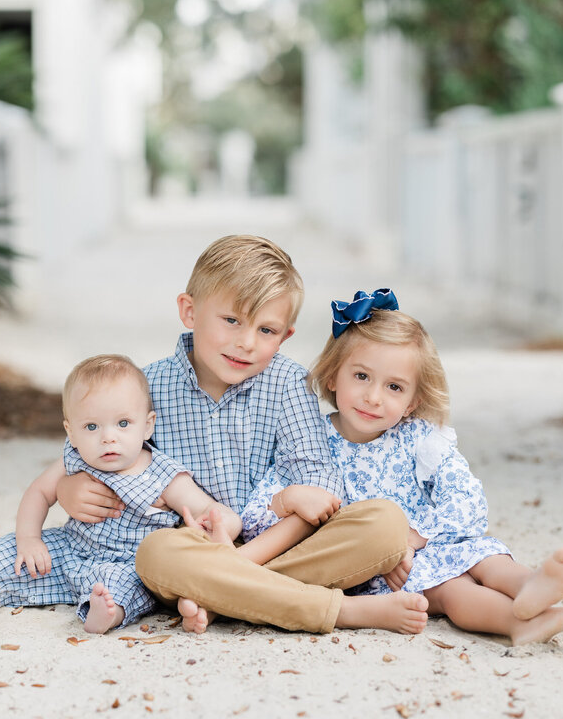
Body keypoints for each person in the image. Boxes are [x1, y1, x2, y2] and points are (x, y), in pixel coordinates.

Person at [63, 236, 428, 634]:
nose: (247, 342)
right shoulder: (148, 384)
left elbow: (317, 494)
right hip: (190, 551)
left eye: (266, 329)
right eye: (232, 320)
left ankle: (223, 598)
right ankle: (341, 611)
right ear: (190, 311)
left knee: (386, 524)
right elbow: (89, 443)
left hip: (276, 549)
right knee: (155, 555)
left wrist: (239, 563)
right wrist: (69, 486)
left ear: (285, 335)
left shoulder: (288, 383)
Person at [226, 289, 563, 645]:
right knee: (453, 591)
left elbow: (467, 499)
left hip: (429, 541)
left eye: (394, 387)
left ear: (411, 401)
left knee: (488, 558)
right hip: (380, 571)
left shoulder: (421, 439)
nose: (373, 397)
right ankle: (520, 624)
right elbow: (256, 518)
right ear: (332, 376)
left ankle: (530, 586)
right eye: (361, 377)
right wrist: (288, 498)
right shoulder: (308, 442)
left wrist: (414, 538)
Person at [0, 354, 241, 634]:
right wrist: (29, 540)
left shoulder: (164, 475)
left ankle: (105, 614)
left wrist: (212, 525)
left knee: (126, 587)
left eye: (122, 423)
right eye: (91, 427)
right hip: (68, 548)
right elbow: (39, 492)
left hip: (127, 561)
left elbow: (216, 513)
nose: (108, 438)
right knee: (6, 553)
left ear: (147, 427)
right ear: (71, 432)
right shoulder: (73, 458)